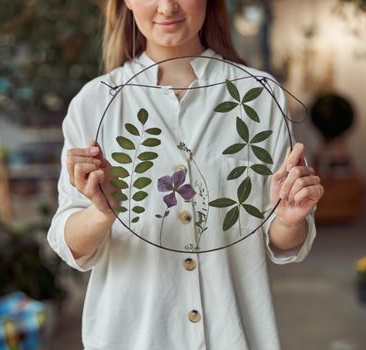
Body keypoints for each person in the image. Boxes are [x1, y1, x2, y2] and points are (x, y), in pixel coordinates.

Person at [48, 0, 324, 349]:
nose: (167, 7)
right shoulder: (95, 103)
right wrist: (101, 213)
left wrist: (289, 218)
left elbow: (282, 241)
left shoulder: (259, 96)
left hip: (234, 335)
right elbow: (68, 242)